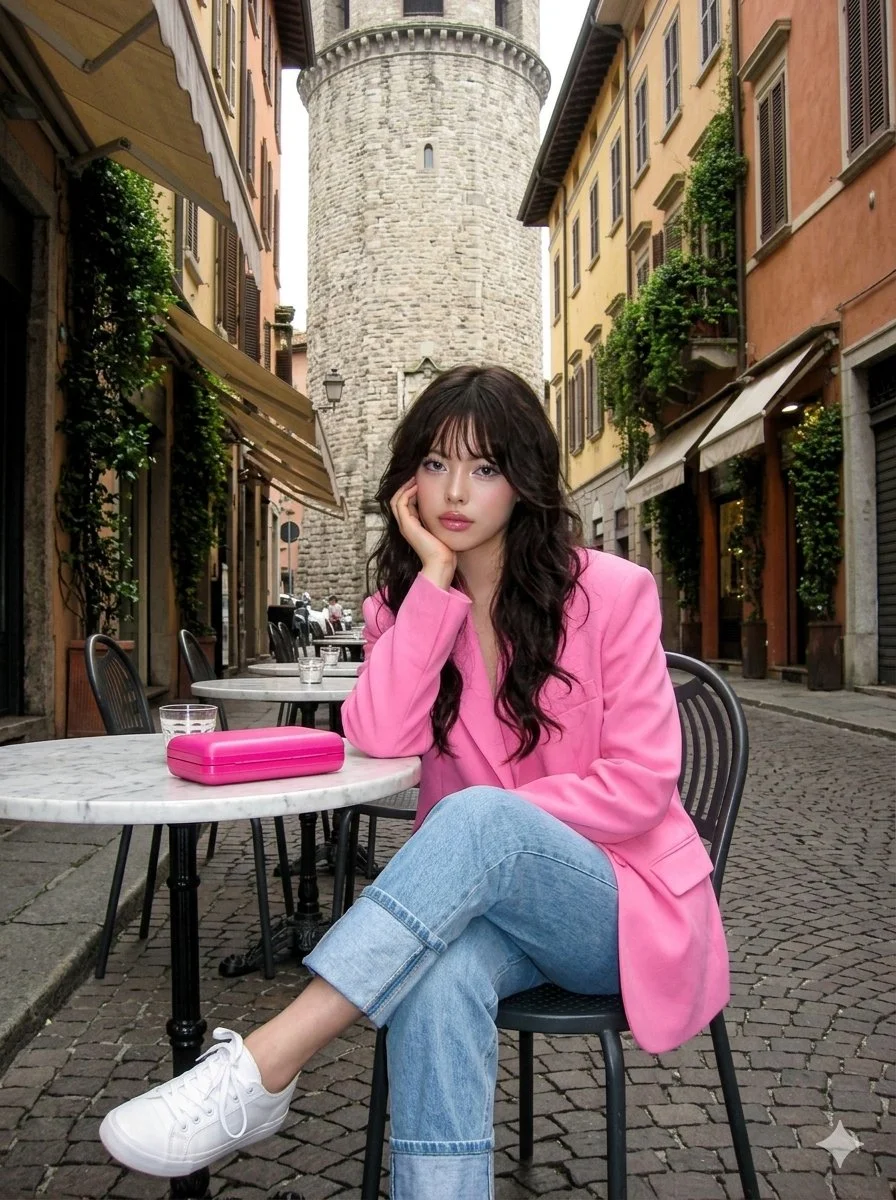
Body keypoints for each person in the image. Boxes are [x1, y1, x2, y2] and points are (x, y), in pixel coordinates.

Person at [99, 365, 730, 1197]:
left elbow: (642, 784)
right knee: (437, 978)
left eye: (485, 468)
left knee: (477, 819)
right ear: (408, 482)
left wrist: (489, 827)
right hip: (486, 911)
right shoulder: (405, 606)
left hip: (616, 905)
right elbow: (380, 736)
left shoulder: (614, 593)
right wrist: (434, 581)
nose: (456, 491)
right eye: (435, 465)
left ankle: (264, 1064)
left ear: (525, 481)